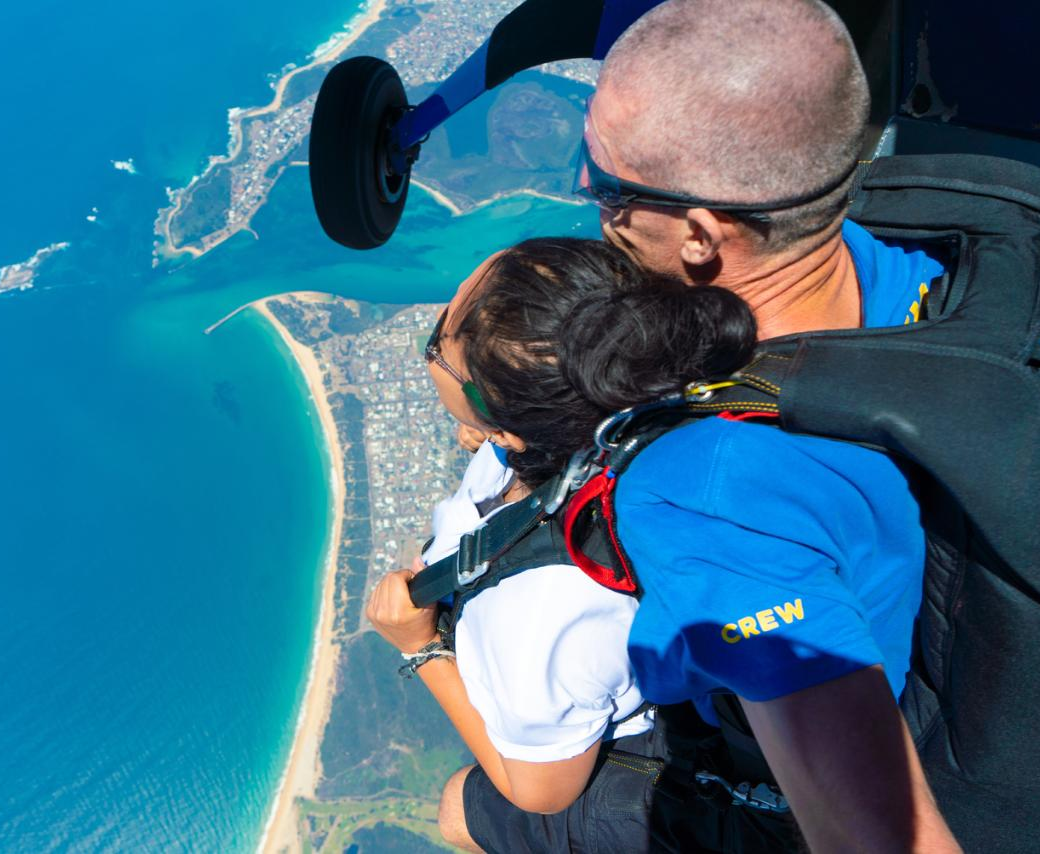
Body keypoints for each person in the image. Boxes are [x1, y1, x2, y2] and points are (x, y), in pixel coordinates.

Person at [553, 0, 957, 850]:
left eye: (611, 186)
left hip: (779, 771)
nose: (591, 194)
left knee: (473, 806)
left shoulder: (707, 488)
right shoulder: (933, 269)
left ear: (702, 236)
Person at [367, 237, 760, 852]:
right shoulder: (655, 381)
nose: (435, 330)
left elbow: (539, 792)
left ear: (513, 424)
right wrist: (495, 435)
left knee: (456, 811)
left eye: (436, 338)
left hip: (677, 754)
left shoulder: (538, 612)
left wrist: (419, 650)